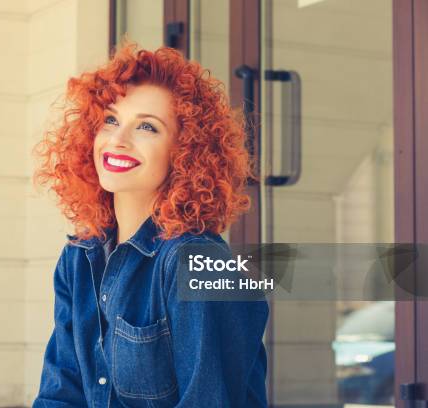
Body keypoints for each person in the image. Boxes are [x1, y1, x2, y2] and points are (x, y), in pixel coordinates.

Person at [31, 40, 269, 408]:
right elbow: (60, 395)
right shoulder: (79, 257)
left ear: (186, 152)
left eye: (147, 127)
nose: (118, 140)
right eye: (110, 120)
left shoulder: (198, 262)